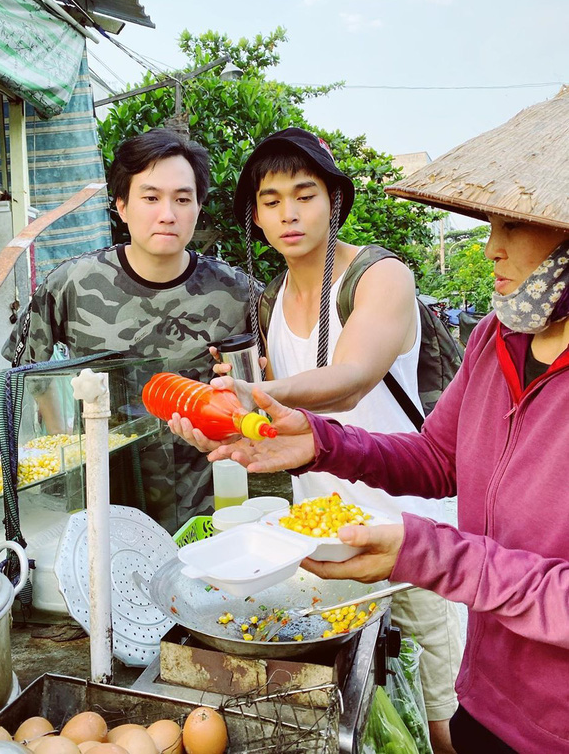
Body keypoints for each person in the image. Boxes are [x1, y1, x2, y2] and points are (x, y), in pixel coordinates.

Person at [206, 211, 569, 754]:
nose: (492, 247)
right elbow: (440, 457)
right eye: (492, 225)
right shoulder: (496, 338)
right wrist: (322, 444)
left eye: (514, 227)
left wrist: (430, 553)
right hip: (487, 699)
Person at [172, 128, 462, 752]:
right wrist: (220, 419)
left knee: (438, 719)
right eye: (271, 201)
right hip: (326, 543)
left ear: (334, 200)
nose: (289, 213)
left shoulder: (378, 276)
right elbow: (284, 420)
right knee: (367, 714)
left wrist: (257, 397)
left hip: (411, 538)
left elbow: (350, 381)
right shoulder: (270, 300)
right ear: (255, 216)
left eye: (305, 195)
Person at [3, 128, 257, 532]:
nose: (167, 214)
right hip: (104, 507)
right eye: (151, 197)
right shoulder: (72, 283)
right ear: (121, 205)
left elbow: (270, 379)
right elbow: (24, 371)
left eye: (182, 199)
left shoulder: (237, 293)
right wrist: (65, 441)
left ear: (198, 206)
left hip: (207, 509)